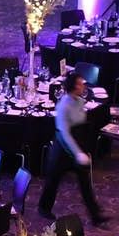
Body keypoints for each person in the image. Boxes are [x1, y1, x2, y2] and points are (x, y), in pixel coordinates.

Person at [37, 70, 106, 224]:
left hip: (76, 145)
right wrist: (77, 153)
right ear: (74, 87)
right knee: (52, 181)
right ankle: (43, 208)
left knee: (85, 183)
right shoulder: (63, 106)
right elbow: (64, 133)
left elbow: (80, 121)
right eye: (81, 84)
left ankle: (95, 216)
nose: (84, 86)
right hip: (62, 149)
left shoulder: (78, 101)